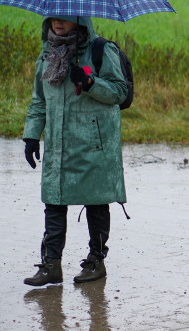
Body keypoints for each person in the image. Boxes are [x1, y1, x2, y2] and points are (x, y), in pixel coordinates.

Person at [22, 15, 129, 286]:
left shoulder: (102, 51)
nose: (58, 22)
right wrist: (32, 136)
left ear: (80, 18)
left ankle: (96, 261)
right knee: (54, 203)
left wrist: (91, 83)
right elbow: (39, 100)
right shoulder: (47, 54)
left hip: (93, 143)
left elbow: (119, 92)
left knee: (96, 201)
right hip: (58, 145)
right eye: (54, 17)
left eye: (65, 17)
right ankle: (51, 266)